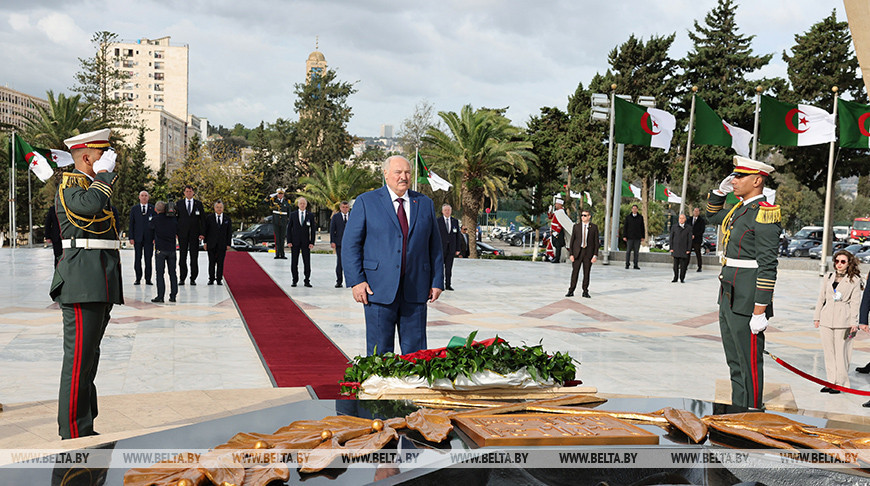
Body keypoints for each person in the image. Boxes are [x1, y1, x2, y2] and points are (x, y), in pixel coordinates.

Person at [50, 128, 123, 439]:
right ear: (86, 157)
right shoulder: (71, 188)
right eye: (101, 155)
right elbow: (89, 207)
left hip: (100, 280)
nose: (106, 160)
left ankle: (85, 423)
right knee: (78, 359)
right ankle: (74, 431)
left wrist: (102, 179)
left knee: (89, 356)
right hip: (81, 281)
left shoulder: (92, 188)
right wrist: (103, 177)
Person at [342, 155, 444, 355]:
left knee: (416, 353)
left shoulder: (424, 204)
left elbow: (435, 247)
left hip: (416, 289)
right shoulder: (366, 202)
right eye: (398, 172)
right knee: (380, 352)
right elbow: (350, 245)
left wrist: (437, 281)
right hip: (377, 290)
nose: (403, 177)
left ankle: (413, 386)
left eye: (407, 172)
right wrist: (356, 281)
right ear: (386, 174)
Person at [705, 156, 781, 409]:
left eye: (740, 177)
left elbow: (768, 267)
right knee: (735, 360)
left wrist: (760, 309)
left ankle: (751, 410)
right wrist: (719, 192)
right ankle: (738, 408)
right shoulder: (740, 210)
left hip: (748, 299)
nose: (734, 180)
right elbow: (712, 216)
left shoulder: (764, 214)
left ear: (757, 180)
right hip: (728, 294)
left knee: (749, 361)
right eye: (734, 176)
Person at [814, 250, 865, 396]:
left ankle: (841, 383)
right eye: (837, 261)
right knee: (828, 352)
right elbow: (821, 298)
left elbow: (856, 303)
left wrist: (854, 322)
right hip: (826, 319)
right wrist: (817, 317)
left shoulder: (854, 280)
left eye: (843, 262)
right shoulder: (828, 277)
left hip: (844, 320)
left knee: (842, 353)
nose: (839, 264)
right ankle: (831, 382)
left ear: (849, 263)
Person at [566, 210, 599, 298]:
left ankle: (585, 291)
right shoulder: (576, 227)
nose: (583, 217)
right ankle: (571, 290)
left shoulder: (594, 227)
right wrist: (571, 254)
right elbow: (572, 241)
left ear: (589, 217)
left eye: (585, 215)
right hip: (577, 252)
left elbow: (596, 243)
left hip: (588, 253)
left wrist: (595, 255)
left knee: (586, 273)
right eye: (582, 215)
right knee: (575, 272)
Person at [176, 185, 205, 285]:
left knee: (194, 256)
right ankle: (182, 278)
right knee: (182, 256)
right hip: (182, 234)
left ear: (193, 192)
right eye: (187, 191)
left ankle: (193, 278)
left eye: (190, 191)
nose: (188, 193)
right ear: (184, 193)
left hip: (194, 234)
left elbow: (202, 220)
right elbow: (176, 219)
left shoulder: (198, 204)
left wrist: (202, 233)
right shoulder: (179, 204)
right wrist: (176, 232)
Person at [150, 201, 178, 303]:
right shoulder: (173, 220)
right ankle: (173, 295)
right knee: (172, 273)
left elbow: (150, 228)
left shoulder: (155, 219)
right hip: (171, 249)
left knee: (160, 274)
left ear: (155, 209)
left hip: (160, 250)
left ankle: (160, 296)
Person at [287, 196, 316, 287]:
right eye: (301, 203)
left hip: (306, 243)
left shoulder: (310, 215)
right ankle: (294, 280)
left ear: (306, 205)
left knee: (307, 262)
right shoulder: (293, 215)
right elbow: (289, 229)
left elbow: (313, 229)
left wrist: (312, 242)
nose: (302, 205)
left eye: (304, 203)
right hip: (295, 242)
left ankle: (307, 280)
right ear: (298, 205)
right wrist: (289, 241)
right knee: (294, 262)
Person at [128, 190, 155, 285]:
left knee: (148, 259)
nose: (144, 197)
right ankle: (138, 278)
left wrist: (155, 238)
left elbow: (156, 224)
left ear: (148, 197)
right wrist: (131, 237)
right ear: (139, 197)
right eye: (142, 195)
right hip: (137, 238)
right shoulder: (134, 209)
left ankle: (148, 279)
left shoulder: (153, 208)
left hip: (149, 239)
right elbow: (131, 224)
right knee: (137, 258)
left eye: (146, 195)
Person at [204, 201, 232, 286]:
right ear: (214, 208)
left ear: (223, 208)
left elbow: (229, 232)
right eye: (217, 207)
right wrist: (205, 243)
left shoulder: (227, 219)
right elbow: (206, 231)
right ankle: (211, 279)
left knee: (220, 263)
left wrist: (228, 244)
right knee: (211, 262)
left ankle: (219, 279)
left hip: (222, 244)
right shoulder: (209, 218)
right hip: (211, 244)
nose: (219, 209)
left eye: (220, 207)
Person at [437, 203, 461, 290]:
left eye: (449, 210)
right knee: (439, 268)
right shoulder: (438, 221)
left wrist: (458, 248)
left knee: (448, 268)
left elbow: (458, 236)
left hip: (451, 249)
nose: (447, 212)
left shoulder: (455, 221)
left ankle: (448, 285)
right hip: (440, 249)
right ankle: (439, 284)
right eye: (445, 210)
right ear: (442, 211)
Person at [265, 188, 291, 259]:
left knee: (282, 238)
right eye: (279, 194)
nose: (280, 195)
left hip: (283, 222)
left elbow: (289, 212)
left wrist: (289, 222)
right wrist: (272, 195)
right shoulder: (274, 201)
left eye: (281, 194)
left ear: (283, 194)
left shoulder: (287, 202)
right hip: (276, 221)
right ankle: (277, 254)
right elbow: (265, 201)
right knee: (277, 238)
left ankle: (282, 254)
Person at [330, 201, 350, 288]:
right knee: (340, 262)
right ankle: (339, 281)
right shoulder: (336, 217)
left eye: (346, 207)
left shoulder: (353, 216)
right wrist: (332, 241)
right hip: (339, 243)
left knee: (351, 263)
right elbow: (332, 229)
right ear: (340, 208)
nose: (345, 209)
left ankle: (351, 281)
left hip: (351, 244)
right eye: (343, 207)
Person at [669, 213, 693, 283]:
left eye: (683, 218)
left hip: (684, 249)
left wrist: (689, 249)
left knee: (683, 266)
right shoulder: (674, 227)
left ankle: (682, 278)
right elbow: (671, 238)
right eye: (680, 218)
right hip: (676, 248)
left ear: (685, 219)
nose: (681, 220)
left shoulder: (688, 228)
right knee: (675, 266)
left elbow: (689, 239)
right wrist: (671, 248)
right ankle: (675, 277)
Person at [550, 199, 574, 263]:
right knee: (554, 244)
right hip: (553, 231)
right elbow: (550, 217)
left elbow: (561, 223)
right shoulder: (557, 212)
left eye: (557, 204)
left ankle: (557, 258)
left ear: (560, 205)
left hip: (558, 232)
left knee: (558, 246)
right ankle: (555, 257)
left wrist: (557, 231)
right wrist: (550, 210)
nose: (555, 205)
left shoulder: (561, 212)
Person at [623, 204, 644, 269]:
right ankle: (627, 264)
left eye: (635, 209)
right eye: (633, 209)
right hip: (629, 237)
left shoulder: (640, 217)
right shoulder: (628, 217)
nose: (634, 210)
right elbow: (625, 227)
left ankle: (635, 265)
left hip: (637, 238)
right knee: (628, 251)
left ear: (637, 210)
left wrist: (643, 236)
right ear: (632, 210)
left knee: (636, 252)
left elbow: (642, 227)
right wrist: (624, 236)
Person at [689, 207, 706, 272]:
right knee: (687, 252)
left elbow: (702, 230)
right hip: (689, 239)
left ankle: (699, 267)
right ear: (693, 212)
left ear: (699, 212)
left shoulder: (701, 220)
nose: (696, 212)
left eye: (697, 211)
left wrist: (694, 235)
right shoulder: (689, 219)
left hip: (697, 240)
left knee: (698, 253)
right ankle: (685, 265)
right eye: (695, 211)